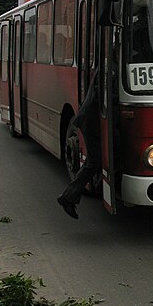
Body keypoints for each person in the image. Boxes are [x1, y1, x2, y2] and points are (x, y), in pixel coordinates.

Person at [57, 70, 101, 219]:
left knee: (95, 160)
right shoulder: (110, 69)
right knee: (94, 161)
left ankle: (70, 196)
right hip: (90, 122)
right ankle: (67, 198)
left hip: (93, 121)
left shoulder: (110, 65)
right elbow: (101, 96)